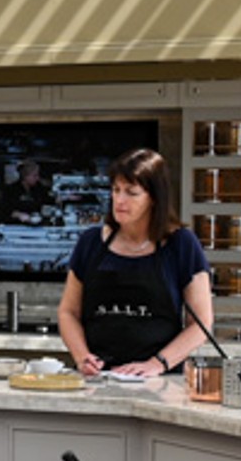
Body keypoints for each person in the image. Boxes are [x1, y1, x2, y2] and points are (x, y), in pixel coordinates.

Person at [59, 149, 218, 379]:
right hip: (97, 379)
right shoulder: (90, 243)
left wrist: (157, 364)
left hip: (161, 381)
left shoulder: (181, 244)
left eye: (131, 193)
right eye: (116, 190)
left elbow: (201, 324)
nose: (120, 200)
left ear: (154, 197)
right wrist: (82, 357)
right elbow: (68, 312)